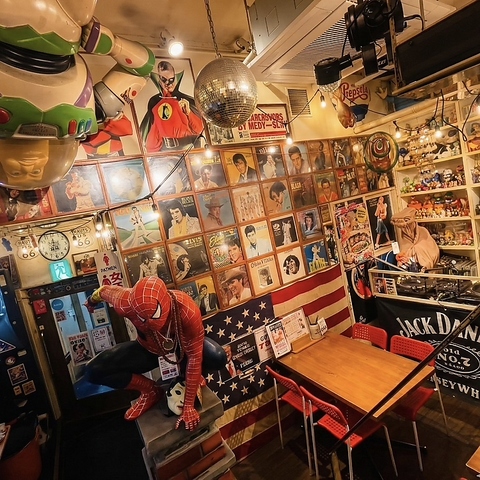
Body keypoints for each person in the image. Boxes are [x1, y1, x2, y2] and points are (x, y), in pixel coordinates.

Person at [83, 277, 226, 430]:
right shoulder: (124, 302)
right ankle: (150, 391)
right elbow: (103, 291)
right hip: (148, 349)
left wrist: (188, 406)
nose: (149, 323)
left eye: (154, 315)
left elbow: (195, 357)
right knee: (93, 371)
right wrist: (91, 302)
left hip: (182, 348)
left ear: (165, 300)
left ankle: (191, 379)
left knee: (217, 357)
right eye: (142, 318)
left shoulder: (187, 310)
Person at [140, 61, 203, 153]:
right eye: (163, 79)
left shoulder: (186, 100)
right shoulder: (154, 102)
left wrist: (189, 112)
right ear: (159, 79)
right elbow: (154, 128)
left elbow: (199, 129)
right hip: (167, 151)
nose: (168, 83)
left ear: (175, 78)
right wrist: (152, 152)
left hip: (190, 148)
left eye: (171, 79)